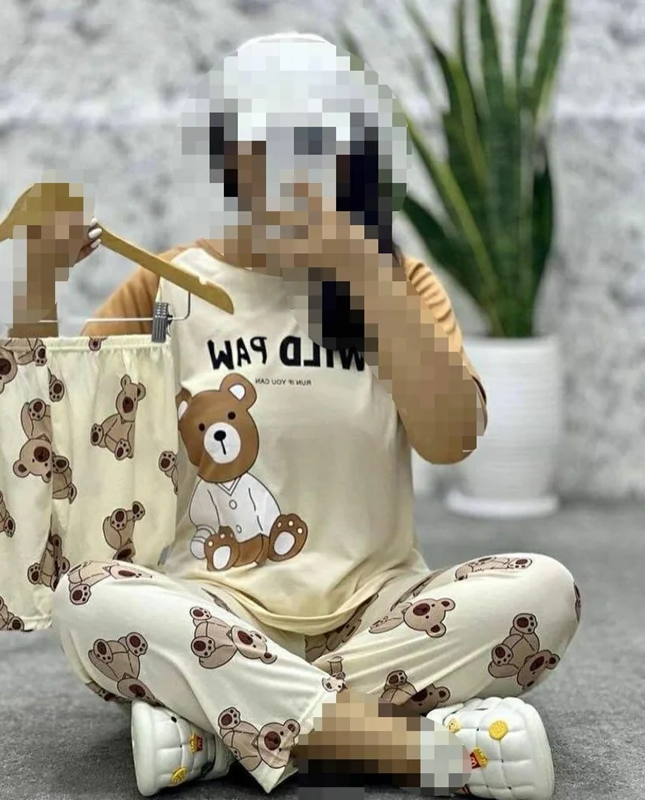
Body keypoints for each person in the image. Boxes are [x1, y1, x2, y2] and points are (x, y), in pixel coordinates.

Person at [51, 33, 580, 799]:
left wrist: (362, 268)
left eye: (312, 140)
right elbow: (68, 434)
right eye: (264, 140)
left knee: (543, 591)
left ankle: (222, 728)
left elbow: (451, 440)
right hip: (213, 607)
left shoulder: (399, 281)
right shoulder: (166, 284)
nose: (288, 167)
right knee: (86, 596)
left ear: (350, 156)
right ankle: (419, 754)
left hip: (381, 611)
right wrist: (38, 283)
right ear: (229, 155)